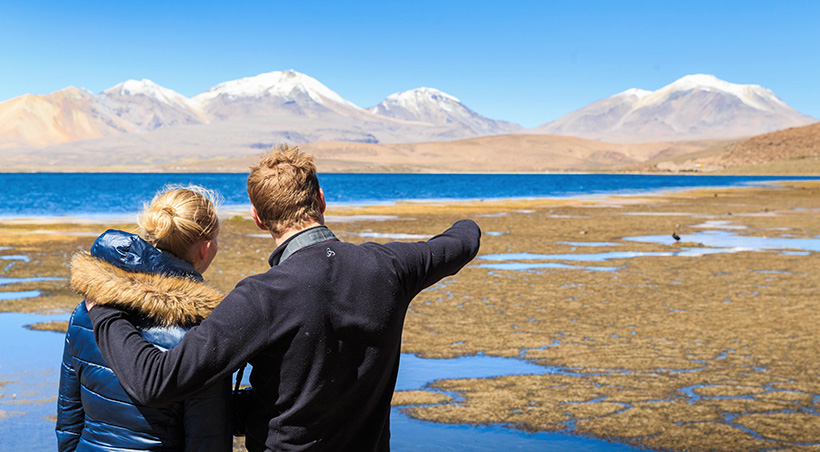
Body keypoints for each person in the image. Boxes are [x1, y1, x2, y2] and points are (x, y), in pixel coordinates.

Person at [86, 145, 481, 451]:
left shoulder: (261, 297)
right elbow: (463, 241)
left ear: (258, 219)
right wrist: (467, 221)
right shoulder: (389, 266)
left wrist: (105, 308)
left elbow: (155, 381)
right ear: (321, 199)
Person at [56, 186, 231, 452]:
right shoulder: (203, 331)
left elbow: (69, 420)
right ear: (206, 248)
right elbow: (207, 440)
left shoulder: (87, 310)